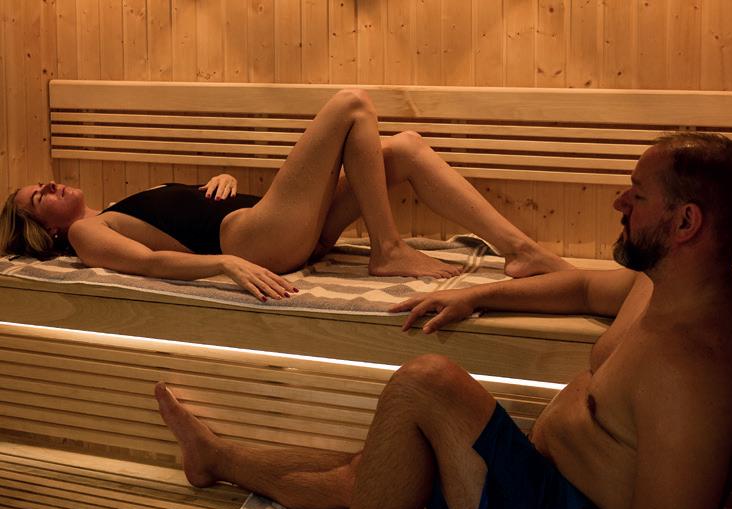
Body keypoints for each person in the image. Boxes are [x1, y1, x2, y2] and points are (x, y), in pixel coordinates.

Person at [155, 131, 732, 509]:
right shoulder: (669, 283)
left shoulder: (696, 366)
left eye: (637, 196)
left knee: (427, 381)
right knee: (373, 478)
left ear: (686, 223)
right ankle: (216, 459)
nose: (620, 203)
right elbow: (585, 286)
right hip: (540, 490)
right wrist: (477, 295)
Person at [0, 89, 570, 302]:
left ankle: (521, 250)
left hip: (274, 226)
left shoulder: (115, 208)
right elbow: (149, 263)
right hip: (256, 240)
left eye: (43, 183)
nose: (49, 185)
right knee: (351, 105)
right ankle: (388, 250)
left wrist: (220, 181)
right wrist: (224, 264)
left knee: (405, 147)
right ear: (46, 229)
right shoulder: (85, 233)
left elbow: (175, 221)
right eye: (38, 197)